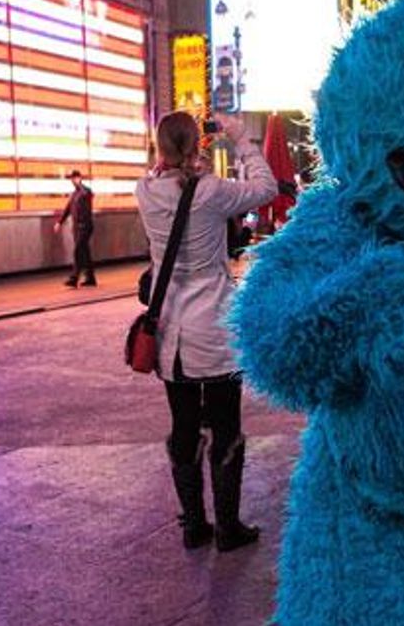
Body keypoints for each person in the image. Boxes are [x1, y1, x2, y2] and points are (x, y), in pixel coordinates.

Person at [135, 111, 276, 552]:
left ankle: (194, 525)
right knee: (226, 427)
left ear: (159, 148)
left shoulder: (144, 190)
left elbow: (167, 174)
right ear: (198, 147)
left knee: (183, 427)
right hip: (214, 331)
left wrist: (183, 159)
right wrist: (239, 140)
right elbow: (266, 189)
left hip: (169, 333)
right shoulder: (211, 192)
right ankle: (228, 528)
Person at [54, 170, 95, 288]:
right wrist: (59, 222)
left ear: (79, 178)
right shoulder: (74, 195)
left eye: (74, 178)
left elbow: (87, 197)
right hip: (77, 227)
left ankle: (74, 277)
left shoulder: (85, 192)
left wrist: (80, 184)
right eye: (71, 179)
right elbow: (67, 209)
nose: (72, 181)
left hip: (85, 226)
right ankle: (91, 278)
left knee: (78, 251)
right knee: (84, 252)